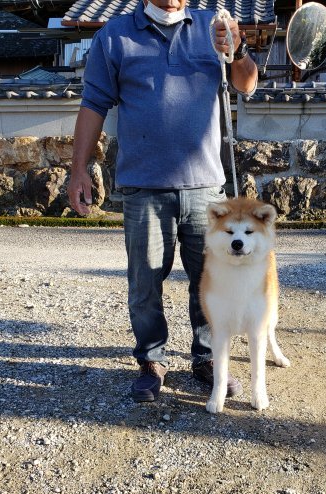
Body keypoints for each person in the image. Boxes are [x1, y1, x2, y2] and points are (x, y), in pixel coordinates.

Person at [67, 0, 259, 402]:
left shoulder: (215, 25)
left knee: (212, 280)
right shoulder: (115, 36)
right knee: (145, 282)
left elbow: (246, 84)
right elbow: (94, 103)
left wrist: (238, 50)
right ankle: (151, 360)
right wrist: (78, 169)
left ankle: (208, 358)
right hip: (143, 186)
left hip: (206, 187)